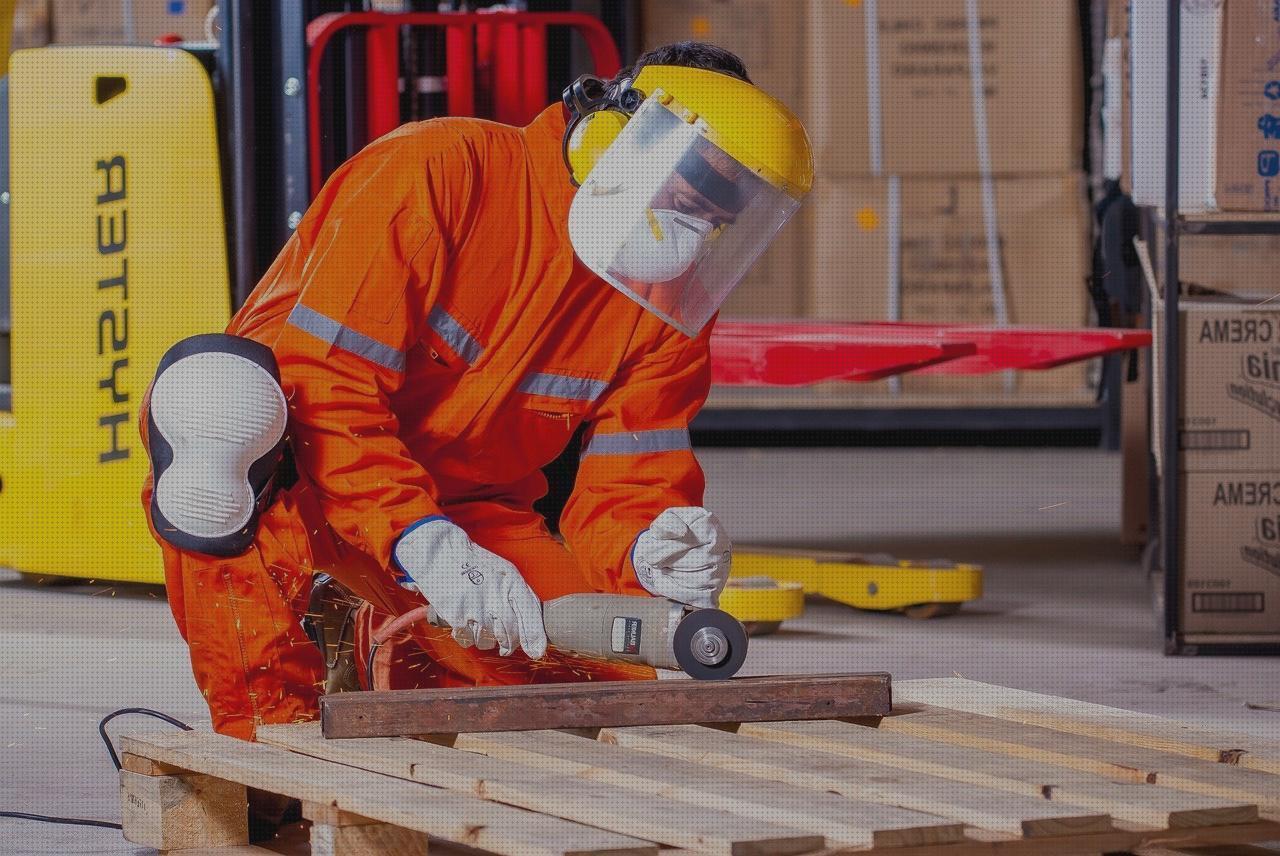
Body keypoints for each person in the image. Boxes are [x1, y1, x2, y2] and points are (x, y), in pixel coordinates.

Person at [140, 41, 813, 743]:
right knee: (215, 404)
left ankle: (374, 638)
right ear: (621, 130)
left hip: (464, 511)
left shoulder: (668, 302)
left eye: (724, 209)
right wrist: (422, 543)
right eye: (693, 185)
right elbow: (327, 385)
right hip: (295, 472)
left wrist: (650, 545)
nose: (700, 221)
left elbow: (632, 477)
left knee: (588, 699)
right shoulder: (439, 171)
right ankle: (270, 741)